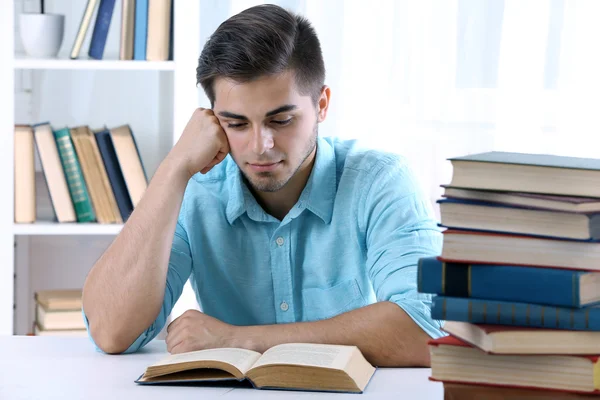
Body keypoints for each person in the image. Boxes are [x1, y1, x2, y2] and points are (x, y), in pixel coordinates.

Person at [81, 4, 443, 367]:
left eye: (281, 120)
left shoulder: (381, 181)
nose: (260, 145)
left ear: (321, 104)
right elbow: (112, 333)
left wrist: (240, 339)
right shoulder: (196, 191)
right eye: (236, 124)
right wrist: (174, 167)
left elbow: (426, 327)